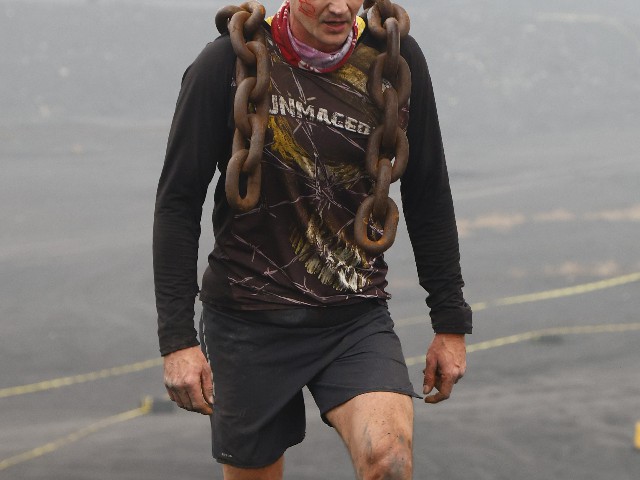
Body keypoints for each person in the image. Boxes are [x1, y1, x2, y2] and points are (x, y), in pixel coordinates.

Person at [153, 0, 472, 478]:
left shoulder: (394, 62)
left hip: (353, 318)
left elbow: (428, 191)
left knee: (389, 460)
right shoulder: (227, 64)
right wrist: (177, 341)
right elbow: (177, 203)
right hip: (248, 321)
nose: (339, 7)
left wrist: (450, 324)